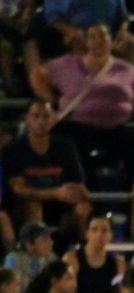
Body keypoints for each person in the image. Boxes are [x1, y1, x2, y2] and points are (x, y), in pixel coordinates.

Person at [30, 22, 134, 185]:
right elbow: (37, 74)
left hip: (117, 128)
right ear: (86, 42)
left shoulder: (126, 69)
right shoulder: (67, 64)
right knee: (68, 142)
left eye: (102, 36)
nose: (98, 41)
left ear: (110, 40)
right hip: (79, 126)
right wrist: (50, 100)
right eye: (93, 36)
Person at [1, 100, 90, 238]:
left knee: (83, 207)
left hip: (60, 203)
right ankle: (37, 252)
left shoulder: (66, 147)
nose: (41, 121)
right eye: (36, 116)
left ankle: (82, 250)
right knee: (33, 207)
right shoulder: (14, 150)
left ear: (53, 119)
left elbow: (78, 182)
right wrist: (55, 193)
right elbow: (18, 189)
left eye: (46, 116)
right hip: (26, 204)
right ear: (27, 119)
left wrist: (82, 198)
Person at [63, 211, 124, 293]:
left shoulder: (118, 263)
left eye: (104, 230)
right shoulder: (72, 259)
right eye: (94, 230)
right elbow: (64, 292)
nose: (99, 235)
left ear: (111, 235)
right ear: (87, 233)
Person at [5, 221, 57, 293]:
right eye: (44, 240)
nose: (51, 243)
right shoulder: (14, 260)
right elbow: (8, 291)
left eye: (50, 238)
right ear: (29, 245)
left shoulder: (53, 259)